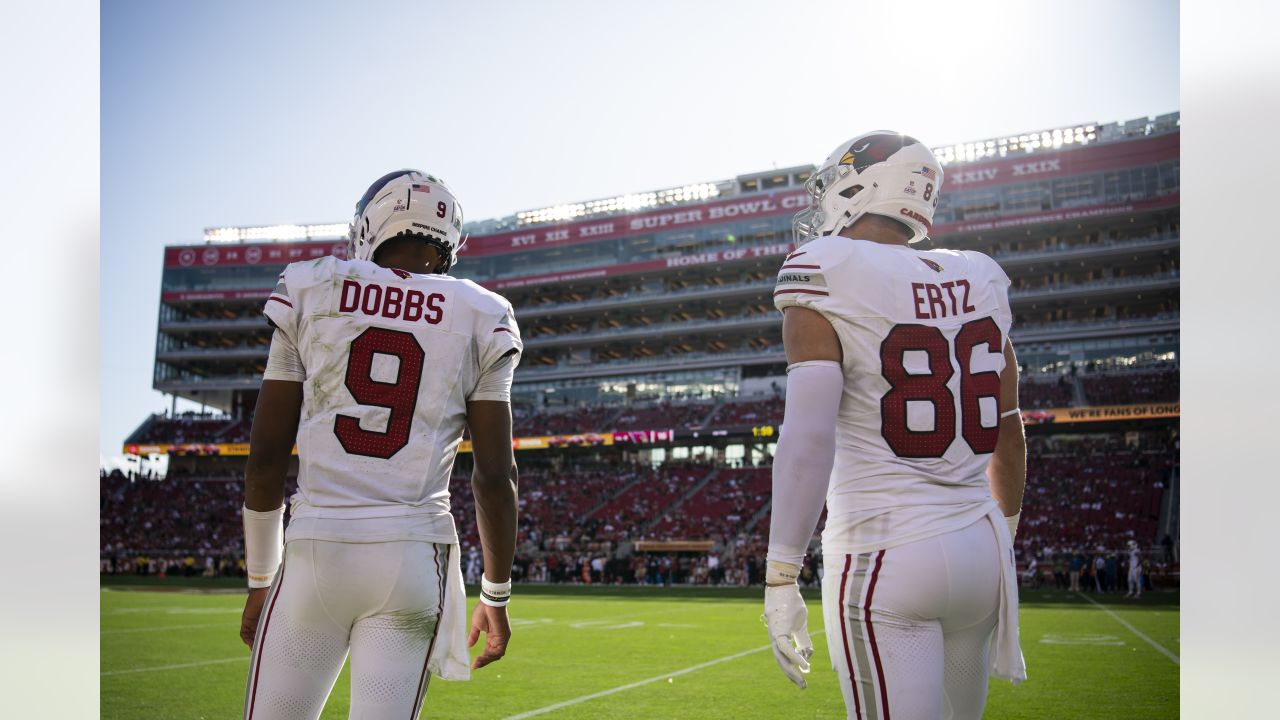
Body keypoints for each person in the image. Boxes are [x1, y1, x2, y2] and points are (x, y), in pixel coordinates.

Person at [761, 132, 1027, 719]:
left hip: (887, 550)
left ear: (861, 186)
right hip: (982, 549)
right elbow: (1008, 426)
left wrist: (782, 573)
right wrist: (1003, 529)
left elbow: (808, 437)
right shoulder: (980, 275)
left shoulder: (824, 266)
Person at [238, 170, 522, 720]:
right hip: (411, 557)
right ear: (447, 243)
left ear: (371, 224)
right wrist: (497, 595)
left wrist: (258, 579)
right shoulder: (481, 312)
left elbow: (265, 460)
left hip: (316, 547)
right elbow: (494, 475)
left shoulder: (312, 287)